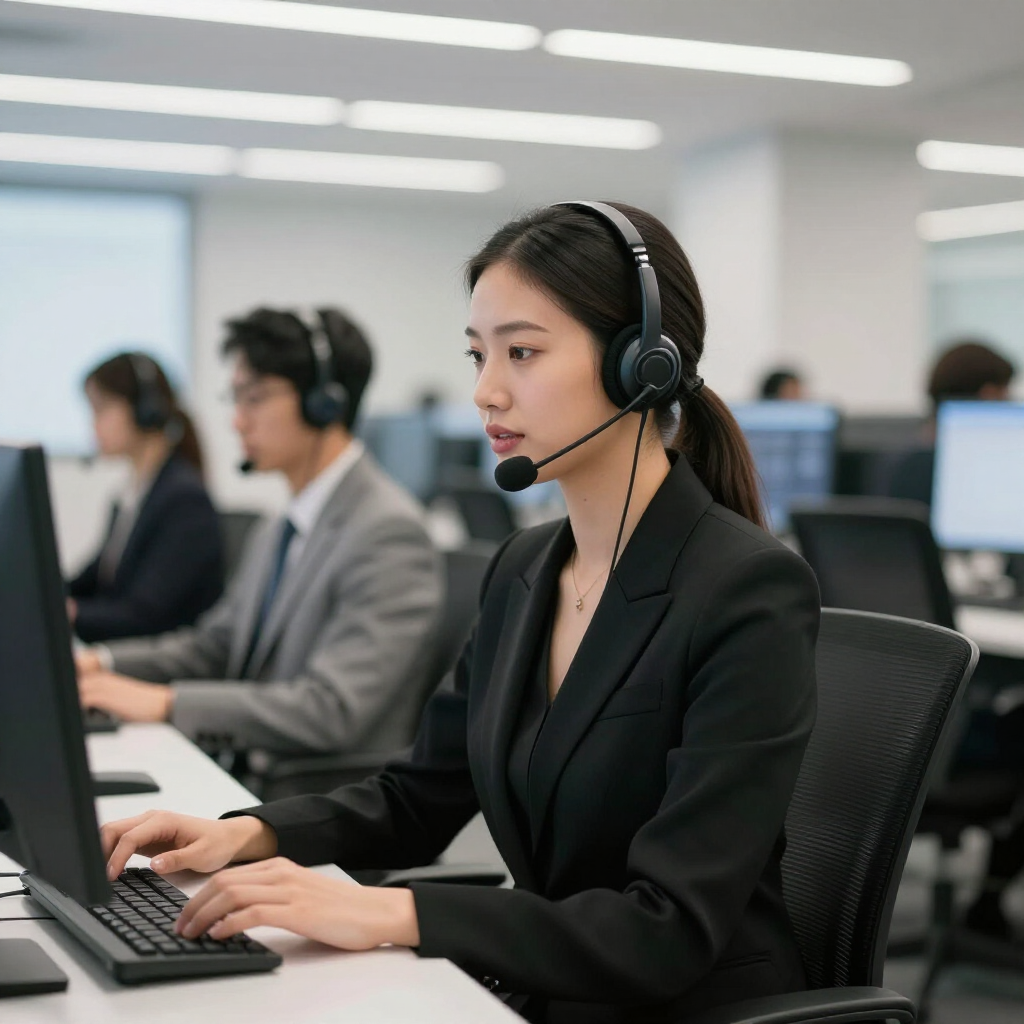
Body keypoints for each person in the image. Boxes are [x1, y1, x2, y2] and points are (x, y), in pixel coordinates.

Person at [99, 205, 820, 1023]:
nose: (486, 391)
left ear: (639, 366)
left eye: (522, 352)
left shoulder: (747, 589)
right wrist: (246, 833)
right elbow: (418, 798)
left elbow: (670, 928)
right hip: (544, 984)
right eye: (479, 355)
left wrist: (393, 913)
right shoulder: (525, 570)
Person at [76, 307, 443, 762]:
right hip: (250, 767)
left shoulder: (388, 532)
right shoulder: (279, 526)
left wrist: (167, 703)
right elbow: (215, 645)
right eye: (236, 400)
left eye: (254, 398)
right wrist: (101, 664)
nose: (237, 421)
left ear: (322, 401)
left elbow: (331, 709)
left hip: (314, 795)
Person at [67, 352, 223, 643]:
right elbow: (91, 581)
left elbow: (146, 616)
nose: (93, 424)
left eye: (101, 410)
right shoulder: (130, 496)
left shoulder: (184, 501)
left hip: (158, 668)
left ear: (144, 410)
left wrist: (71, 613)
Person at [887, 339, 1016, 505]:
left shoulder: (903, 466)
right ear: (989, 395)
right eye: (1005, 393)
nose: (1009, 402)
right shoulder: (994, 473)